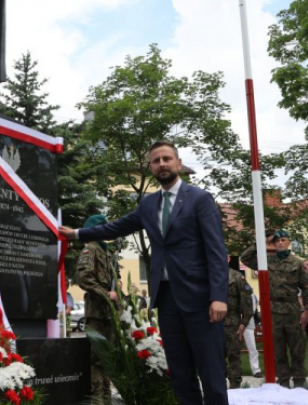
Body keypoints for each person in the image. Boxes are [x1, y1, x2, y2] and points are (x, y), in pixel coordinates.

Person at [60, 141, 229, 405]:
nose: (162, 164)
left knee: (211, 371)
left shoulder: (199, 199)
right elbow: (115, 227)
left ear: (178, 163)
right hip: (167, 299)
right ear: (151, 167)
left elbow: (216, 251)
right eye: (156, 160)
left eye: (166, 158)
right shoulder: (148, 204)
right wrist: (77, 234)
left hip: (201, 298)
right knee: (180, 372)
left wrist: (219, 296)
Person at [241, 230, 308, 388]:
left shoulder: (297, 263)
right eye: (277, 241)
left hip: (292, 309)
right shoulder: (266, 261)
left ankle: (299, 382)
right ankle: (283, 383)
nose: (280, 243)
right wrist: (263, 240)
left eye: (283, 240)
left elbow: (306, 288)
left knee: (297, 348)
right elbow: (244, 258)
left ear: (288, 242)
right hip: (272, 310)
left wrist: (306, 310)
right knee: (277, 349)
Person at [74, 215, 115, 405]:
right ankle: (98, 400)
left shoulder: (105, 252)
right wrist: (106, 294)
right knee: (98, 358)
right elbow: (84, 277)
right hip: (97, 313)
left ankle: (106, 397)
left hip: (108, 313)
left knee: (107, 358)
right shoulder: (90, 248)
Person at [225, 267, 253, 389]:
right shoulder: (208, 273)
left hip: (232, 324)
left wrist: (244, 322)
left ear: (228, 259)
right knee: (214, 357)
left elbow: (246, 300)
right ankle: (218, 386)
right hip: (211, 324)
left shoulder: (236, 276)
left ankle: (235, 386)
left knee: (234, 355)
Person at [243, 293, 262, 378]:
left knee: (253, 348)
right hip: (234, 323)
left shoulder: (252, 294)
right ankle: (231, 372)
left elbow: (253, 310)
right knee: (229, 348)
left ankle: (256, 370)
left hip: (248, 324)